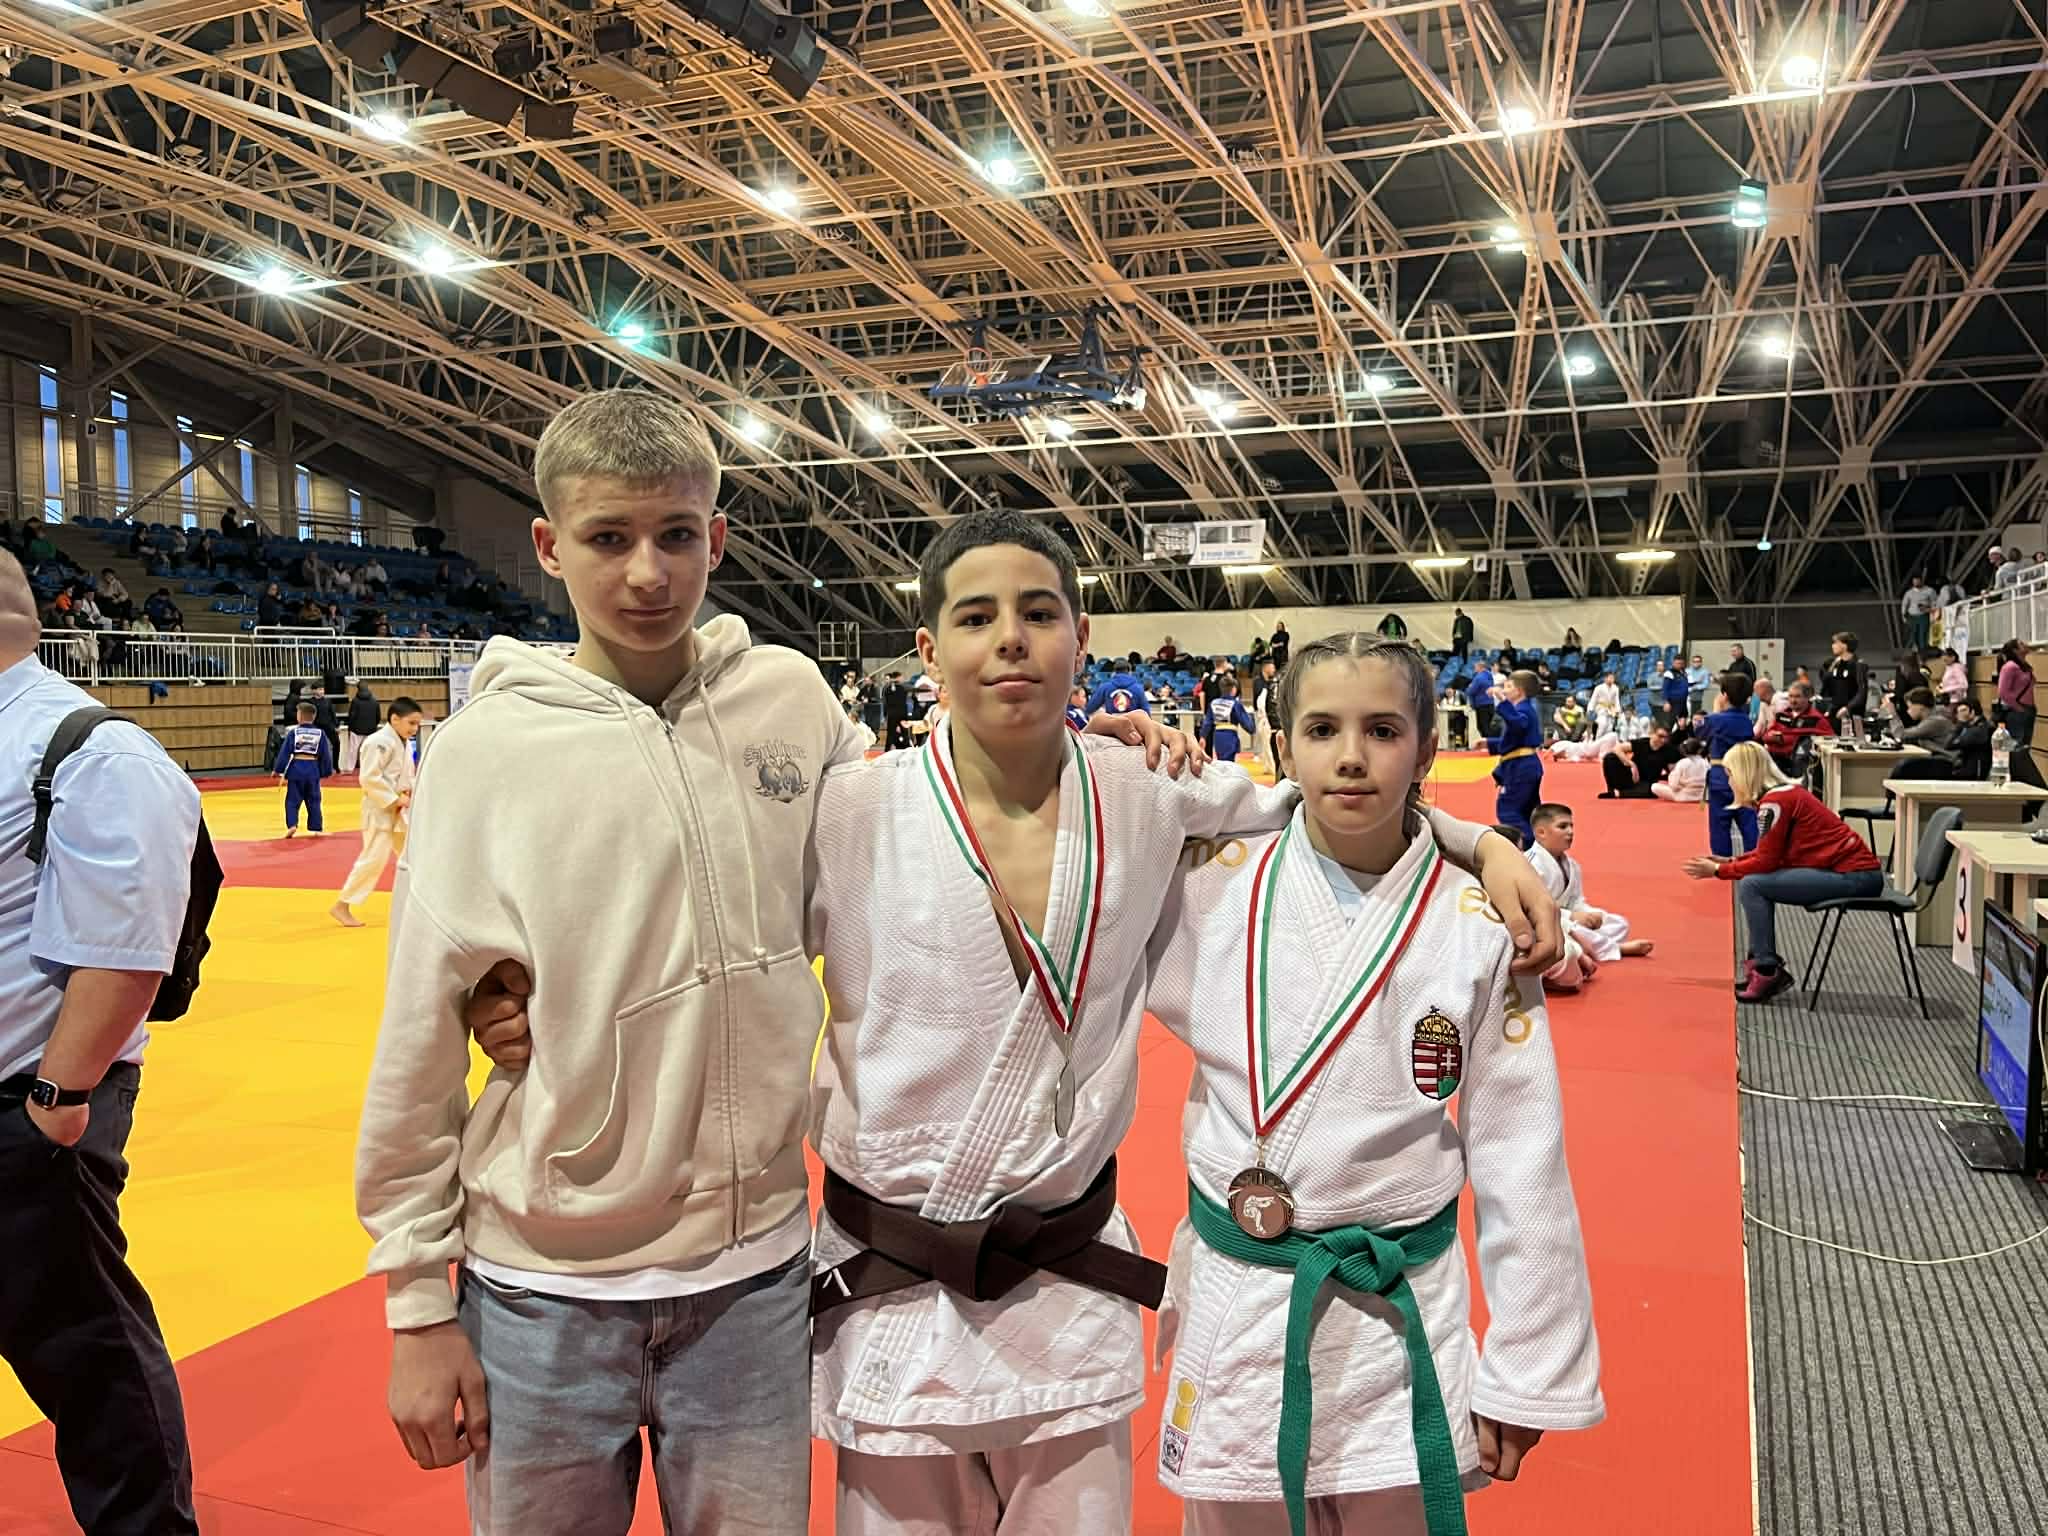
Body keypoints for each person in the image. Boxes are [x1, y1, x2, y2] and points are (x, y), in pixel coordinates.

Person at [1147, 637, 1603, 1534]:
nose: (1351, 756)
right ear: (1282, 748)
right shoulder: (1207, 885)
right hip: (1242, 1299)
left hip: (1396, 1322)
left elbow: (1521, 1151)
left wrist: (1528, 1366)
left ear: (1427, 750)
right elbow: (1078, 812)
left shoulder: (1479, 921)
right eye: (1321, 730)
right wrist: (1482, 837)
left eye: (1384, 731)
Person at [0, 549, 205, 1536]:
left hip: (32, 1104)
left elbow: (128, 954)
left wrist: (56, 1100)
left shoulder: (92, 747)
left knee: (85, 1352)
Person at [1683, 742, 1883, 1003]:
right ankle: (1763, 965)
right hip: (1855, 873)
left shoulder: (1774, 803)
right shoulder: (1783, 795)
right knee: (1753, 882)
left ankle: (1766, 969)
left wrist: (1720, 870)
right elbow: (1771, 854)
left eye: (1730, 774)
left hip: (1855, 877)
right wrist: (1733, 860)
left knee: (1752, 885)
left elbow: (1766, 861)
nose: (1729, 782)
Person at [1528, 802, 1653, 976]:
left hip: (1567, 918)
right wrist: (1571, 916)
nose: (1570, 832)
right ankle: (1615, 948)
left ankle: (1590, 946)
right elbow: (1533, 909)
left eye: (1571, 826)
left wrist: (1589, 914)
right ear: (1541, 832)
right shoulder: (1530, 864)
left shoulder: (1571, 865)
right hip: (1544, 923)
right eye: (1562, 827)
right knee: (1570, 930)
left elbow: (1576, 900)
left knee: (1618, 923)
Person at [331, 698, 423, 927]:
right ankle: (342, 905)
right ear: (395, 719)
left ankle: (419, 902)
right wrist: (394, 799)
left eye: (417, 724)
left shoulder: (402, 742)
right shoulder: (378, 742)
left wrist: (412, 792)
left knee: (413, 855)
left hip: (400, 808)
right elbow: (369, 778)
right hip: (380, 809)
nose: (415, 729)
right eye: (411, 723)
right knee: (374, 859)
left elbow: (406, 775)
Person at [1702, 672, 1760, 856]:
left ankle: (1722, 861)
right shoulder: (1746, 720)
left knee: (1720, 824)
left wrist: (1716, 710)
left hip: (1721, 776)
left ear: (1724, 695)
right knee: (1748, 820)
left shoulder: (1716, 720)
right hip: (1745, 774)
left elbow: (1700, 732)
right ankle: (1755, 857)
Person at [1486, 668, 1545, 847]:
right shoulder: (1522, 710)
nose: (1504, 690)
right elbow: (1515, 741)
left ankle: (1528, 846)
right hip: (1523, 765)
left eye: (1508, 687)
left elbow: (1519, 725)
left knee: (1509, 811)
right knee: (1528, 812)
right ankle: (1538, 847)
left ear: (1519, 691)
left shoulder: (1523, 710)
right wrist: (1487, 743)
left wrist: (1502, 702)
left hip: (1522, 767)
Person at [272, 700, 333, 836]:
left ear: (299, 716)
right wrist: (326, 771)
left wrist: (278, 770)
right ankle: (316, 828)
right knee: (314, 800)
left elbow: (284, 753)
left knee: (292, 800)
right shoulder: (320, 734)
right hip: (313, 770)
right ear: (314, 717)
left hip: (296, 769)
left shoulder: (294, 733)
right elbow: (325, 754)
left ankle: (292, 825)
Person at [1996, 640, 2040, 786]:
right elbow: (2003, 692)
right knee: (2015, 748)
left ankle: (2020, 779)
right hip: (2017, 711)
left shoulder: (2023, 665)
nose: (2026, 644)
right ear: (2015, 650)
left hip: (2028, 709)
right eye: (2021, 644)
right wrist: (2018, 707)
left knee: (2024, 748)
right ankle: (2013, 779)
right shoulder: (2010, 667)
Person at [1599, 722, 1681, 799]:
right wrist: (1631, 764)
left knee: (1654, 789)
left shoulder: (1669, 750)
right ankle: (1612, 789)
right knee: (1609, 758)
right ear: (1652, 733)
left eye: (1666, 737)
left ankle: (1619, 793)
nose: (1663, 740)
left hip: (1647, 783)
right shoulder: (1642, 743)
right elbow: (1617, 748)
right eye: (1660, 736)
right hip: (1631, 777)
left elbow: (1673, 770)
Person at [1819, 631, 1869, 736]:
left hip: (1851, 714)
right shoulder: (1835, 665)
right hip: (1835, 713)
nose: (1832, 646)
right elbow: (1827, 688)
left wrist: (1848, 708)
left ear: (1844, 645)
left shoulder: (1858, 665)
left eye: (1835, 643)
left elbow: (1862, 693)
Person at [1205, 675, 1256, 761]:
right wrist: (1252, 727)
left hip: (1217, 736)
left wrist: (1203, 737)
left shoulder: (1214, 703)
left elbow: (1207, 723)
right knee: (1230, 763)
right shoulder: (1235, 704)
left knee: (1221, 761)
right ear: (1234, 689)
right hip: (1230, 736)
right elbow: (1246, 723)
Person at [341, 679, 380, 773]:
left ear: (357, 688)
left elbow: (352, 716)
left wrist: (350, 727)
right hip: (370, 730)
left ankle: (350, 768)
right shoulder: (374, 701)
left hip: (356, 730)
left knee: (353, 750)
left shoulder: (355, 701)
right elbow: (378, 716)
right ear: (368, 688)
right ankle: (369, 768)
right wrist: (373, 725)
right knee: (369, 750)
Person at [1953, 699, 1993, 780]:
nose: (1960, 715)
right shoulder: (1969, 727)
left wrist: (1960, 724)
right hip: (1967, 768)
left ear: (1972, 712)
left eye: (1963, 711)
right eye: (1958, 712)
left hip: (1975, 772)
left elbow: (1954, 743)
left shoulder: (1981, 728)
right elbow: (1948, 744)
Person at [1900, 574, 1935, 654]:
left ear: (1921, 581)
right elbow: (1904, 604)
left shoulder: (1929, 591)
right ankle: (1915, 652)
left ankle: (1923, 652)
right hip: (1912, 617)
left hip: (1924, 616)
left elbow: (1935, 602)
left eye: (1917, 581)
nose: (1916, 583)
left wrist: (1929, 609)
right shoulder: (1909, 592)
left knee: (1923, 634)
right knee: (1913, 634)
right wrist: (1903, 615)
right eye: (1914, 582)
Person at [1468, 654, 1497, 740]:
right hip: (1490, 703)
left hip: (1482, 705)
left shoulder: (1478, 678)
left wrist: (1469, 688)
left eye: (1475, 667)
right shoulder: (1490, 676)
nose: (1475, 669)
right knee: (1489, 726)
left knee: (1483, 726)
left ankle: (1488, 743)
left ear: (1480, 667)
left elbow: (1471, 691)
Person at [1588, 671, 1620, 739]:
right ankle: (1597, 740)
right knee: (1602, 724)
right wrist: (1590, 709)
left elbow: (1616, 700)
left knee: (1609, 728)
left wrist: (1618, 710)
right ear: (1605, 679)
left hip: (1611, 709)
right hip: (1601, 709)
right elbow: (1593, 699)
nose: (1611, 679)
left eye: (1613, 678)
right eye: (1610, 678)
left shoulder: (1616, 688)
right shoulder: (1599, 688)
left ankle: (1606, 743)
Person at [1660, 657, 1690, 724]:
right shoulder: (1669, 673)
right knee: (1671, 723)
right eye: (1677, 663)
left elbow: (1686, 685)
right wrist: (1666, 702)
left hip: (1683, 702)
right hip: (1673, 703)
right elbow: (1665, 688)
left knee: (1683, 723)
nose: (1679, 665)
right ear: (1673, 663)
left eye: (1681, 663)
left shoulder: (1684, 673)